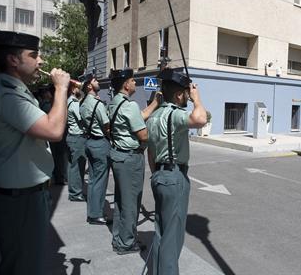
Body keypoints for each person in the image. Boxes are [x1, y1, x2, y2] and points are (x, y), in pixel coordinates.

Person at [0, 28, 70, 275]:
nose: (41, 61)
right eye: (34, 55)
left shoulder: (14, 92)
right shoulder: (8, 96)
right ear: (14, 60)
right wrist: (61, 89)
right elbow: (54, 130)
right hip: (20, 200)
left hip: (25, 196)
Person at [147, 68, 207, 275]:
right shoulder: (176, 114)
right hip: (174, 177)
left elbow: (151, 152)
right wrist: (197, 99)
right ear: (179, 94)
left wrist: (156, 174)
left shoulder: (154, 116)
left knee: (161, 231)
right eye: (185, 93)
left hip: (159, 176)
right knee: (172, 238)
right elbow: (200, 119)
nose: (187, 96)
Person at [108, 68, 160, 255]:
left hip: (119, 155)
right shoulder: (128, 106)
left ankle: (119, 238)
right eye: (132, 81)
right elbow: (143, 134)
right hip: (130, 158)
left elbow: (138, 116)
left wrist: (155, 103)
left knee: (121, 200)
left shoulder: (115, 103)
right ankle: (127, 243)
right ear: (125, 85)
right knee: (131, 202)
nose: (134, 83)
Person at [80, 72, 111, 225]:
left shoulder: (83, 103)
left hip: (89, 141)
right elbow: (107, 127)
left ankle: (93, 211)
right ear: (89, 86)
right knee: (100, 180)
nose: (98, 82)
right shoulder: (97, 104)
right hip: (100, 143)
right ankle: (96, 214)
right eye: (95, 80)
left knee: (93, 180)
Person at [39, 86, 68, 185]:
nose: (50, 94)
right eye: (48, 92)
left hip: (49, 135)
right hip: (53, 136)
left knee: (56, 157)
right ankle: (59, 177)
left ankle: (58, 176)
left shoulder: (42, 104)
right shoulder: (47, 105)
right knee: (58, 157)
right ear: (45, 94)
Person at [66, 82, 87, 201]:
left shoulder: (70, 101)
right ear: (74, 90)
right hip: (77, 137)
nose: (81, 90)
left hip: (72, 136)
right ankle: (75, 193)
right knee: (77, 167)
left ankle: (74, 191)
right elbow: (82, 118)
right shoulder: (74, 103)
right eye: (79, 88)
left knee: (73, 166)